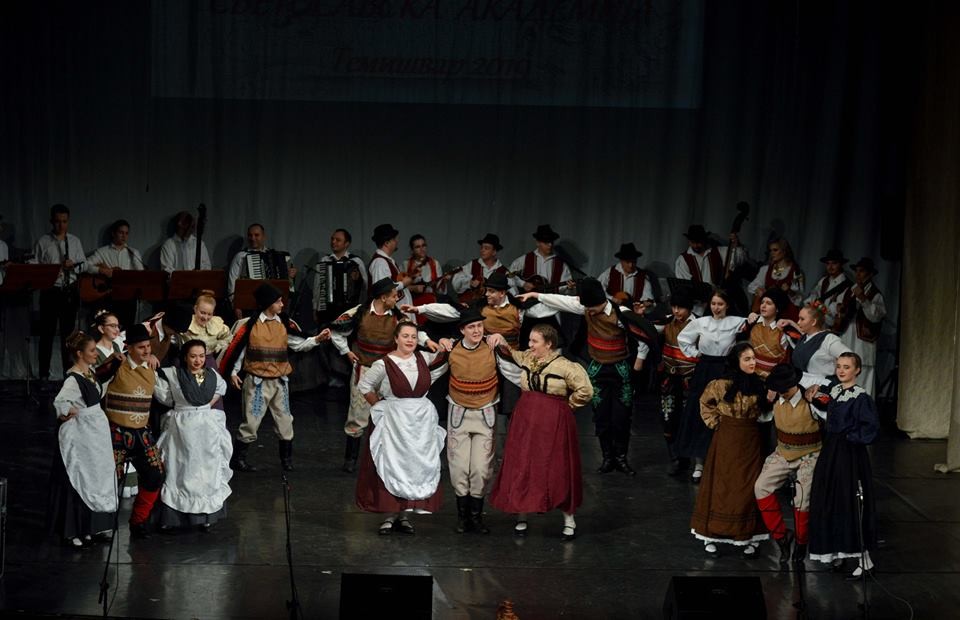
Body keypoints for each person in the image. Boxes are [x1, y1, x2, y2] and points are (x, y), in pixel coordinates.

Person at [518, 278, 656, 476]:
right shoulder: (586, 308)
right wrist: (536, 295)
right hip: (597, 369)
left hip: (619, 370)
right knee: (601, 415)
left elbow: (643, 334)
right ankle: (607, 458)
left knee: (622, 416)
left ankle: (621, 458)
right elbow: (562, 301)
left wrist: (639, 361)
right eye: (587, 308)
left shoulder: (620, 314)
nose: (589, 311)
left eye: (592, 308)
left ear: (602, 301)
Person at [487, 324, 593, 541]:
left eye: (535, 341)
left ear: (549, 344)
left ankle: (569, 520)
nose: (530, 345)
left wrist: (566, 407)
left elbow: (586, 390)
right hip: (526, 419)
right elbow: (510, 354)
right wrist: (499, 337)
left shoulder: (565, 366)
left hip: (552, 420)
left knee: (557, 467)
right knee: (523, 463)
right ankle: (522, 512)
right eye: (530, 340)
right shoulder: (527, 357)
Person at [220, 283, 329, 472]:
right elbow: (239, 350)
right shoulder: (251, 325)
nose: (282, 304)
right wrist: (233, 372)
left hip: (279, 382)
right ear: (268, 303)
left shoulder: (284, 324)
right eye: (278, 301)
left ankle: (286, 460)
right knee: (251, 422)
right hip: (257, 382)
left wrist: (317, 339)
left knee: (285, 421)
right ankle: (238, 459)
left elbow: (298, 344)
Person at [330, 278, 435, 473]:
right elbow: (336, 330)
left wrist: (427, 341)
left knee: (389, 415)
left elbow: (412, 331)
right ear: (383, 297)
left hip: (388, 371)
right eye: (394, 296)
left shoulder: (397, 316)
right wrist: (346, 351)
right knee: (358, 416)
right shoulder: (359, 312)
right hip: (365, 370)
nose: (397, 298)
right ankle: (351, 459)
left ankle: (387, 459)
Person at [354, 321, 448, 535]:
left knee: (414, 466)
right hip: (395, 421)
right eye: (405, 336)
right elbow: (364, 385)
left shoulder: (424, 358)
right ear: (396, 338)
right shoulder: (384, 363)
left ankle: (405, 515)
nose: (410, 340)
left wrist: (441, 341)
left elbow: (445, 354)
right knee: (394, 464)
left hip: (420, 421)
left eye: (413, 337)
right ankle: (389, 515)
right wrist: (379, 406)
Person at [690, 342, 771, 557]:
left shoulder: (760, 383)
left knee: (748, 485)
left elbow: (766, 412)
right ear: (737, 361)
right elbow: (705, 403)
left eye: (753, 358)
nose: (752, 362)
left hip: (750, 440)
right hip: (726, 439)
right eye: (747, 359)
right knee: (722, 485)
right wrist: (717, 423)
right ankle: (713, 534)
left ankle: (748, 535)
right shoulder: (720, 385)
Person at [808, 352, 879, 578]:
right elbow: (828, 411)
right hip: (831, 451)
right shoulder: (835, 391)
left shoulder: (861, 397)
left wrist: (850, 438)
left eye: (846, 367)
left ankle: (864, 560)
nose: (841, 370)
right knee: (830, 499)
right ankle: (836, 552)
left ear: (857, 370)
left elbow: (871, 428)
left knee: (849, 501)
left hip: (849, 454)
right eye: (839, 366)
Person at [48, 331, 117, 547]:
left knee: (95, 476)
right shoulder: (73, 378)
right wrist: (69, 412)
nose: (96, 354)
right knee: (80, 476)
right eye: (92, 351)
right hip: (82, 434)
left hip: (95, 433)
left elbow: (96, 394)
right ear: (79, 353)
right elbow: (60, 402)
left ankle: (89, 527)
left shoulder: (90, 373)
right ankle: (73, 530)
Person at [154, 339, 231, 531]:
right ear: (185, 357)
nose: (198, 361)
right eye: (193, 356)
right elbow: (163, 396)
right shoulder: (174, 375)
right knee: (180, 470)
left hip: (206, 430)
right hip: (182, 429)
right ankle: (173, 518)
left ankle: (206, 516)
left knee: (206, 472)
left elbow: (220, 389)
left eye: (201, 356)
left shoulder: (211, 375)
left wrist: (203, 406)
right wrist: (185, 407)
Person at [436, 308, 501, 534]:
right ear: (462, 330)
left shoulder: (492, 347)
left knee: (481, 469)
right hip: (459, 414)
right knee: (459, 467)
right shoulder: (452, 349)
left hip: (485, 414)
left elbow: (515, 368)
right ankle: (463, 517)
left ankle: (476, 516)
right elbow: (430, 371)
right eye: (471, 327)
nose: (476, 330)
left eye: (479, 326)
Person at [673, 289, 747, 482]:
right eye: (713, 304)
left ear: (727, 305)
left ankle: (723, 462)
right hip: (705, 369)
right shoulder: (701, 322)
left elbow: (754, 323)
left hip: (725, 370)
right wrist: (696, 354)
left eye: (720, 304)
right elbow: (683, 339)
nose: (716, 307)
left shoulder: (736, 322)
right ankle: (699, 463)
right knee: (701, 413)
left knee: (725, 412)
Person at [755, 364, 823, 564]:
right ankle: (782, 537)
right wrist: (767, 400)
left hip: (810, 454)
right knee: (761, 487)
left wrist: (820, 392)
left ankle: (801, 544)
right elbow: (761, 417)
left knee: (802, 500)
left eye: (784, 388)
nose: (781, 392)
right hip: (784, 452)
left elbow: (830, 397)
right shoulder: (776, 399)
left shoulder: (810, 400)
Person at [102, 323, 165, 539]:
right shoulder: (117, 365)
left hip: (141, 431)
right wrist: (111, 364)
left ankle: (138, 521)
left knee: (155, 474)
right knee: (112, 480)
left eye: (148, 346)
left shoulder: (152, 368)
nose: (146, 351)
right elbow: (96, 380)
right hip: (115, 430)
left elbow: (164, 395)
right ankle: (103, 525)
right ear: (128, 348)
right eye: (141, 347)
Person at [31, 204, 86, 380]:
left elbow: (84, 264)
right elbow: (34, 264)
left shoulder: (75, 241)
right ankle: (43, 376)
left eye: (64, 221)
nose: (61, 225)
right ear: (51, 221)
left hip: (69, 292)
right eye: (57, 221)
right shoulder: (43, 241)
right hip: (50, 291)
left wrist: (74, 265)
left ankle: (68, 375)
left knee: (68, 337)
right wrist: (50, 269)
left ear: (68, 221)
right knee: (46, 335)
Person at [653, 290, 698, 476]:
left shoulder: (699, 325)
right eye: (674, 307)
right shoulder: (667, 322)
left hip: (690, 380)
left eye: (681, 308)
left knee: (689, 419)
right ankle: (676, 459)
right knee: (668, 417)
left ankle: (691, 459)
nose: (677, 311)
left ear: (690, 308)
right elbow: (648, 328)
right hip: (670, 379)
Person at [836, 257, 886, 395]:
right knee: (846, 373)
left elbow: (876, 316)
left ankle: (864, 407)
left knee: (864, 378)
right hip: (848, 337)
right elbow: (840, 309)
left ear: (870, 274)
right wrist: (840, 310)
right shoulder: (850, 291)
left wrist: (864, 299)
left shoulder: (875, 294)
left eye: (862, 271)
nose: (858, 274)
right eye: (856, 271)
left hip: (864, 342)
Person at [226, 223, 297, 319]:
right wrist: (235, 305)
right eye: (250, 235)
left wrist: (290, 275)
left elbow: (285, 285)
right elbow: (232, 283)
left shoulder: (275, 255)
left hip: (272, 308)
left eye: (256, 235)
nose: (253, 238)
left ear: (263, 236)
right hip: (249, 306)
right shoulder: (241, 256)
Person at [674, 224, 746, 316]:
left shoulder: (718, 252)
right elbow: (685, 286)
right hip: (697, 308)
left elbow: (740, 258)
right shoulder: (683, 260)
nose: (695, 245)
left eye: (699, 242)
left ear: (704, 240)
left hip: (718, 305)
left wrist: (736, 244)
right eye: (692, 242)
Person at [85, 219, 145, 327]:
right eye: (121, 232)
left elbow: (141, 274)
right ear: (113, 233)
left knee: (127, 328)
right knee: (110, 327)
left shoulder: (133, 253)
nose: (124, 236)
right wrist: (103, 270)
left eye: (126, 233)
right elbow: (86, 265)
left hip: (128, 298)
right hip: (109, 297)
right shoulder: (102, 252)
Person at [781, 302, 852, 389]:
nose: (798, 322)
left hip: (824, 388)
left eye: (802, 319)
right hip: (803, 385)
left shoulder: (829, 339)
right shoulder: (804, 338)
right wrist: (790, 322)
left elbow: (850, 358)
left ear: (813, 322)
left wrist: (841, 378)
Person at [313, 228, 366, 325]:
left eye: (338, 240)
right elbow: (318, 288)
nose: (333, 242)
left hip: (350, 311)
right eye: (332, 239)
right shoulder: (324, 261)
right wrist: (315, 308)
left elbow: (365, 287)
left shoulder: (356, 262)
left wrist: (357, 280)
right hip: (327, 311)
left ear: (346, 244)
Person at [747, 237, 804, 320]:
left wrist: (789, 291)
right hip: (768, 312)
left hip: (786, 313)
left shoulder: (796, 271)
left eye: (775, 250)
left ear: (784, 251)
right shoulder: (766, 269)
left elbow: (799, 298)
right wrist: (758, 290)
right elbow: (752, 286)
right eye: (770, 250)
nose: (772, 253)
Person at [742, 287, 795, 378]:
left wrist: (791, 323)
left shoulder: (782, 330)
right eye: (762, 302)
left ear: (777, 308)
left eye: (769, 303)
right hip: (750, 374)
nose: (763, 306)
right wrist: (748, 320)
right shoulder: (754, 322)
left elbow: (789, 356)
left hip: (773, 378)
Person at [508, 224, 573, 294]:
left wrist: (569, 288)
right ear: (537, 243)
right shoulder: (524, 259)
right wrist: (523, 284)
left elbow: (565, 291)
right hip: (528, 300)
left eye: (551, 242)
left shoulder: (561, 265)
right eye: (546, 242)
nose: (550, 245)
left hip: (550, 300)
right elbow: (508, 276)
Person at [368, 223, 414, 319]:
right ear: (387, 242)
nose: (397, 241)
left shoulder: (387, 260)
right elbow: (383, 291)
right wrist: (403, 283)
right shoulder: (380, 262)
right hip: (391, 316)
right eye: (394, 239)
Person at [803, 249, 852, 333]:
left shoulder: (846, 286)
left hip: (833, 329)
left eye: (834, 263)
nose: (830, 267)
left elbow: (836, 315)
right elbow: (813, 295)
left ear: (841, 264)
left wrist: (819, 307)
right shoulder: (824, 280)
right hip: (818, 324)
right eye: (828, 263)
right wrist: (811, 303)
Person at [449, 233, 508, 303]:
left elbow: (510, 292)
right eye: (481, 248)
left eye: (486, 248)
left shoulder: (503, 270)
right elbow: (457, 281)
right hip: (471, 304)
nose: (482, 250)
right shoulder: (473, 264)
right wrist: (470, 283)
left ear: (494, 252)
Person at [597, 242, 655, 308]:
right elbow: (597, 289)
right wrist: (612, 299)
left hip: (633, 311)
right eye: (628, 262)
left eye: (634, 262)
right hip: (612, 310)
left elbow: (647, 297)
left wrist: (647, 302)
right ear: (621, 261)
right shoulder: (610, 272)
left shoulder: (642, 276)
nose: (631, 265)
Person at [182, 290, 232, 358]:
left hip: (210, 358)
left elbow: (228, 338)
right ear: (195, 309)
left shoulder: (216, 324)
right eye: (202, 313)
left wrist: (218, 346)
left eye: (209, 314)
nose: (205, 318)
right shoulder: (186, 323)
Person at [92, 309, 125, 381]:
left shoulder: (116, 345)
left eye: (118, 326)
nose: (117, 329)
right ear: (101, 328)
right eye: (113, 326)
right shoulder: (94, 350)